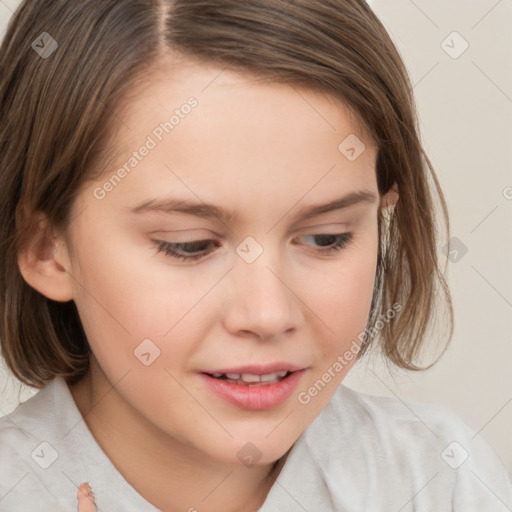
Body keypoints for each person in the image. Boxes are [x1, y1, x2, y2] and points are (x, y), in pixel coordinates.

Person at [0, 1, 510, 511]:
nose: (268, 314)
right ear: (47, 248)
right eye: (189, 245)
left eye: (326, 237)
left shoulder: (441, 480)